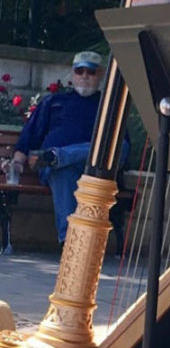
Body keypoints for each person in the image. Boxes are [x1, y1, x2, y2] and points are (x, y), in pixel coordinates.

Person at [9, 51, 104, 245]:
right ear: (73, 73)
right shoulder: (54, 102)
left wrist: (63, 155)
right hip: (58, 170)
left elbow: (122, 146)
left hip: (95, 167)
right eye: (80, 71)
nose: (85, 76)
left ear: (100, 75)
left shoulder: (107, 106)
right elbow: (29, 138)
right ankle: (70, 243)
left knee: (110, 148)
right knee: (62, 170)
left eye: (91, 72)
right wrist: (17, 162)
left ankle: (57, 156)